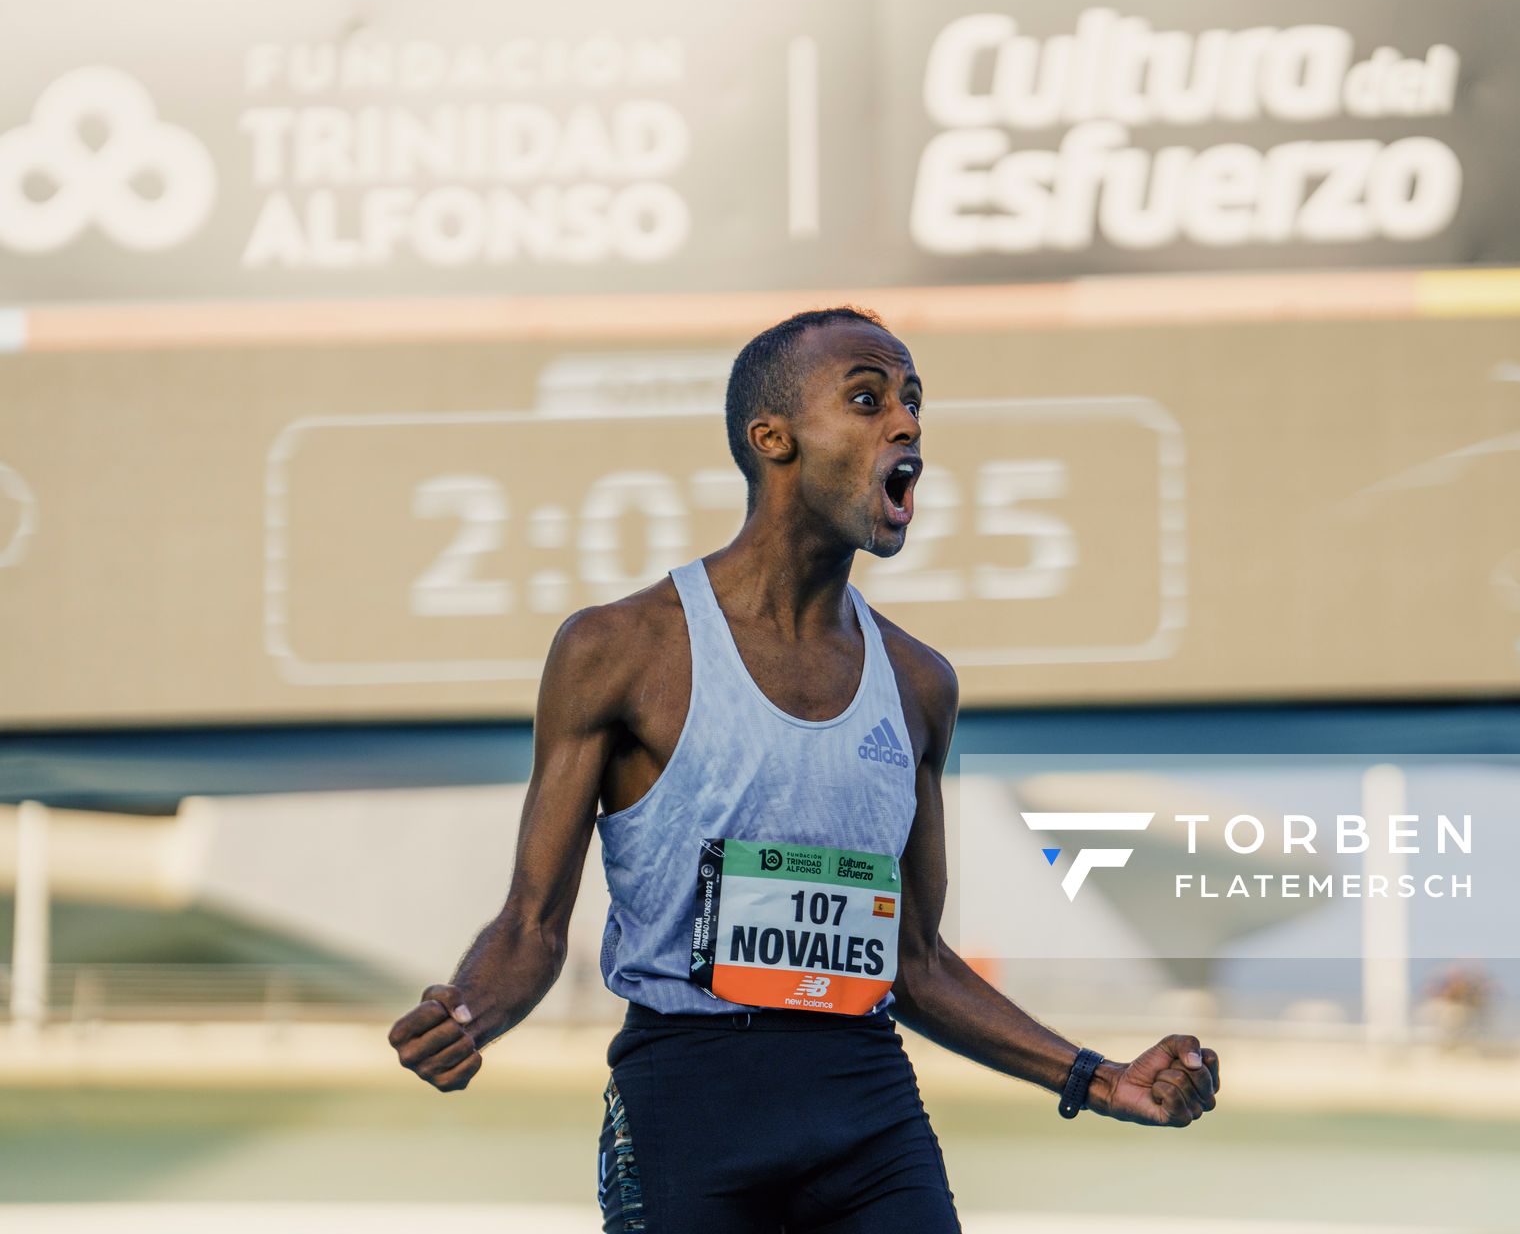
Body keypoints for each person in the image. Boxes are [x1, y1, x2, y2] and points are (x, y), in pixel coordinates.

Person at [387, 306, 1221, 1232]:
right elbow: (532, 924)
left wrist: (1099, 1079)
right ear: (771, 439)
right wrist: (466, 1013)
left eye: (912, 403)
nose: (904, 424)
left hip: (866, 1108)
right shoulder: (618, 650)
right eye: (867, 400)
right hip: (687, 1103)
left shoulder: (917, 685)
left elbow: (917, 963)